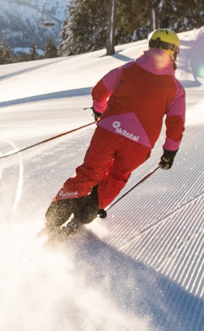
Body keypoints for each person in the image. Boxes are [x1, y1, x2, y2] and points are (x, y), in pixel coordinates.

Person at [45, 29, 186, 235]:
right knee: (118, 176)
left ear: (150, 46)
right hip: (140, 144)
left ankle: (58, 213)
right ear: (174, 52)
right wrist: (169, 152)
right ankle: (88, 210)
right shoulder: (175, 88)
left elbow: (99, 91)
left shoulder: (127, 69)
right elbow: (176, 123)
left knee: (90, 172)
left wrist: (99, 111)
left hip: (109, 130)